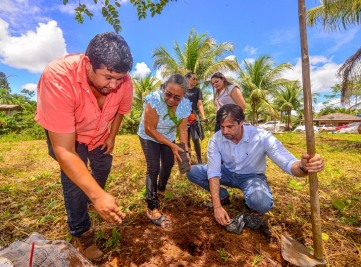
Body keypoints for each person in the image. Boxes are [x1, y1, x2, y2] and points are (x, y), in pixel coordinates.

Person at [35, 32, 133, 260]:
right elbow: (64, 150)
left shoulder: (123, 81)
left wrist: (113, 135)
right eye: (108, 77)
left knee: (102, 167)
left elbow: (121, 111)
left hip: (99, 133)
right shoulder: (58, 77)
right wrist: (99, 196)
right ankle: (81, 232)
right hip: (69, 136)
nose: (115, 85)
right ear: (88, 64)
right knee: (74, 181)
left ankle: (91, 195)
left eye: (120, 78)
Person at [187, 104, 325, 235]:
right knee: (193, 172)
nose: (225, 131)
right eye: (222, 127)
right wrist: (217, 207)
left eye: (229, 127)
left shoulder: (261, 137)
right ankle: (223, 196)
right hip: (227, 173)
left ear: (241, 122)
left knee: (262, 203)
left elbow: (288, 163)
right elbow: (214, 173)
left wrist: (303, 167)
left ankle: (254, 209)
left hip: (251, 177)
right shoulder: (216, 140)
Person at [137, 74, 191, 227]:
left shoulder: (185, 105)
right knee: (153, 167)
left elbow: (182, 130)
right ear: (164, 87)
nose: (172, 100)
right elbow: (150, 129)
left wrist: (184, 149)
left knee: (168, 164)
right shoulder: (154, 99)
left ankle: (160, 188)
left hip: (167, 136)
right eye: (168, 94)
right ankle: (152, 206)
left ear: (183, 96)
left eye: (177, 97)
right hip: (149, 136)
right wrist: (172, 145)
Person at [185, 72, 207, 164]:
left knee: (195, 138)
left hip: (194, 116)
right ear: (188, 79)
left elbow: (200, 104)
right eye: (194, 78)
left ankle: (199, 160)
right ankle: (188, 159)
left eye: (196, 79)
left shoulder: (197, 90)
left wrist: (203, 116)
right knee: (186, 139)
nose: (195, 80)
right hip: (184, 116)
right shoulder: (183, 90)